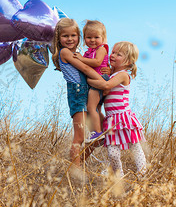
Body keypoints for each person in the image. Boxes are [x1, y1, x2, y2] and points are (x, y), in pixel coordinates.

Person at [87, 41, 147, 178]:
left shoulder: (123, 75)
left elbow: (106, 85)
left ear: (128, 61)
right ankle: (118, 176)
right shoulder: (114, 74)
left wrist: (88, 81)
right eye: (113, 52)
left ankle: (142, 174)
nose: (112, 55)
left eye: (118, 54)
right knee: (112, 153)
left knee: (135, 147)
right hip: (111, 120)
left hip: (123, 117)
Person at [52, 18, 104, 167]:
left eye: (73, 35)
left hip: (87, 94)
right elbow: (86, 69)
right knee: (79, 137)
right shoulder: (65, 52)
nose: (69, 39)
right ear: (58, 38)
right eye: (65, 36)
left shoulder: (79, 53)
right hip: (77, 94)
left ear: (78, 37)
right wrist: (104, 83)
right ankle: (75, 170)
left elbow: (92, 67)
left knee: (99, 136)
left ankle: (78, 164)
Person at [73, 20, 109, 142]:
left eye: (96, 37)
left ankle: (98, 133)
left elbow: (97, 62)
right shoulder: (88, 52)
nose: (92, 40)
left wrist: (81, 59)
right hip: (95, 80)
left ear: (103, 38)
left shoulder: (102, 48)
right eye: (89, 37)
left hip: (99, 79)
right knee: (97, 109)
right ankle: (106, 129)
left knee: (91, 107)